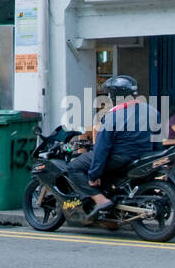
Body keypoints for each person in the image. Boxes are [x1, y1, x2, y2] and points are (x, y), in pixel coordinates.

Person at [67, 75, 158, 218]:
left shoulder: (113, 116)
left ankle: (100, 200)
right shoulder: (151, 110)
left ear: (115, 95)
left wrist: (94, 174)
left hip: (119, 158)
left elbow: (102, 148)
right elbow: (157, 138)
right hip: (143, 156)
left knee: (74, 167)